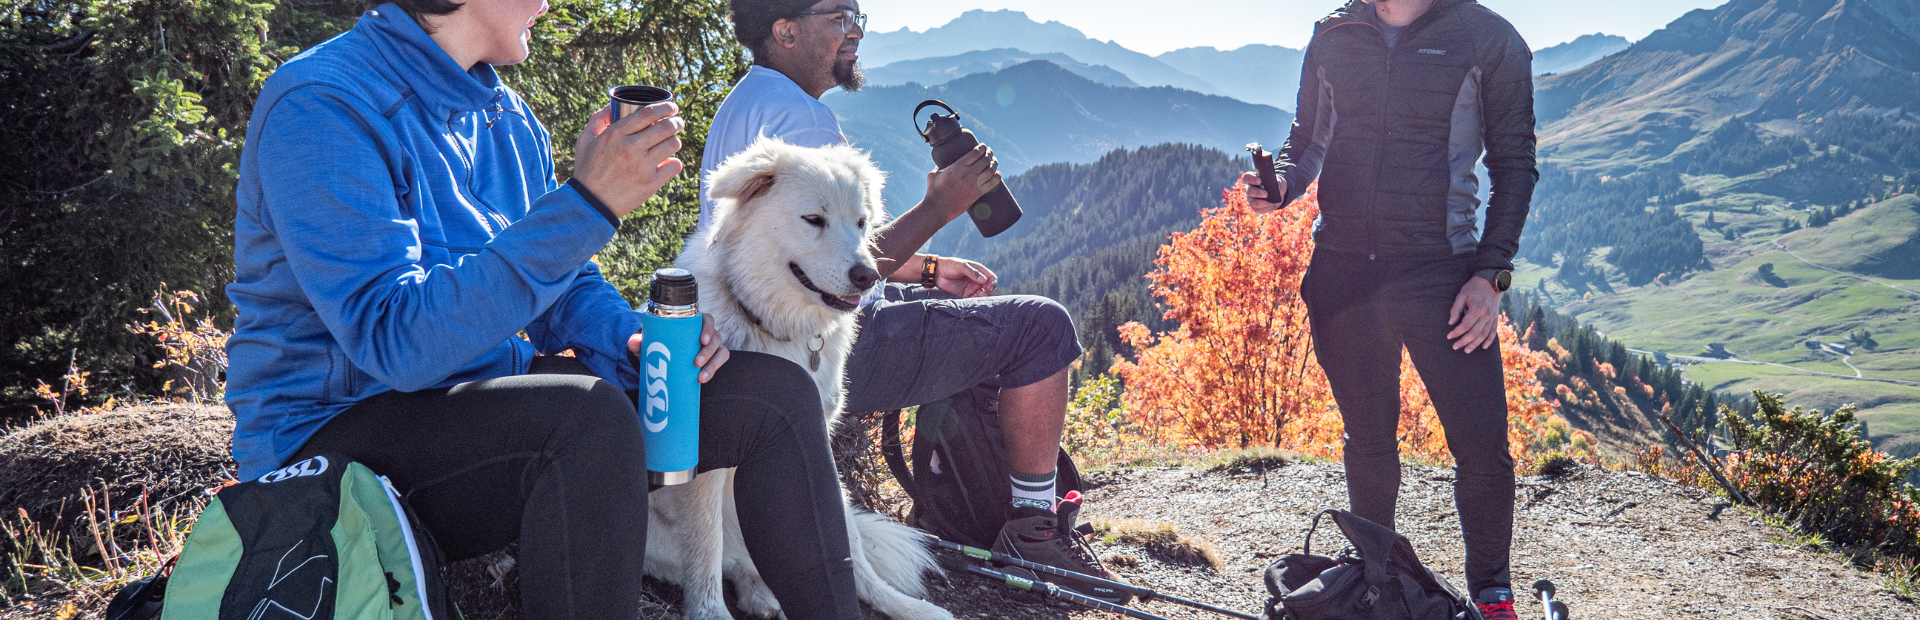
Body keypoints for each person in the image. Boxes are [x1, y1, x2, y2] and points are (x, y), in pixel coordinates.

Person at [223, 2, 865, 618]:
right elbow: (397, 341)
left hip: (476, 402)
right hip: (333, 438)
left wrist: (633, 340)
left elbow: (561, 286)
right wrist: (589, 202)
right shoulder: (323, 104)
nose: (550, 3)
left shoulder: (505, 115)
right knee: (585, 419)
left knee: (773, 395)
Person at [708, 0, 1126, 604]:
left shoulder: (747, 103)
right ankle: (1033, 530)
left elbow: (812, 252)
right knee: (1042, 326)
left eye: (858, 16)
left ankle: (969, 506)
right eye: (837, 16)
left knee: (982, 315)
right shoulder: (802, 123)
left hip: (772, 335)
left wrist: (927, 270)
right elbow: (845, 271)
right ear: (786, 29)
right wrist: (940, 207)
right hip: (832, 345)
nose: (854, 30)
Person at [1240, 0, 1537, 618]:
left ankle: (1492, 595)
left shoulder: (1487, 39)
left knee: (1482, 446)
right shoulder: (1333, 33)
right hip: (1342, 270)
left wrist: (1491, 274)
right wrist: (1282, 186)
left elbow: (1515, 164)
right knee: (1367, 437)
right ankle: (1374, 581)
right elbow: (1308, 140)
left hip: (1444, 272)